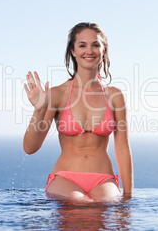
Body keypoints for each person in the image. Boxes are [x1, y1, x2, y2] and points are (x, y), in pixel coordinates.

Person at [23, 22, 133, 202]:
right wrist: (39, 110)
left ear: (103, 50)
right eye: (82, 45)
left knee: (103, 206)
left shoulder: (115, 96)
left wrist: (128, 198)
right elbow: (30, 148)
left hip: (104, 178)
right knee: (83, 206)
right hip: (66, 178)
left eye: (95, 45)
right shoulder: (57, 94)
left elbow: (123, 149)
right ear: (73, 51)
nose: (89, 51)